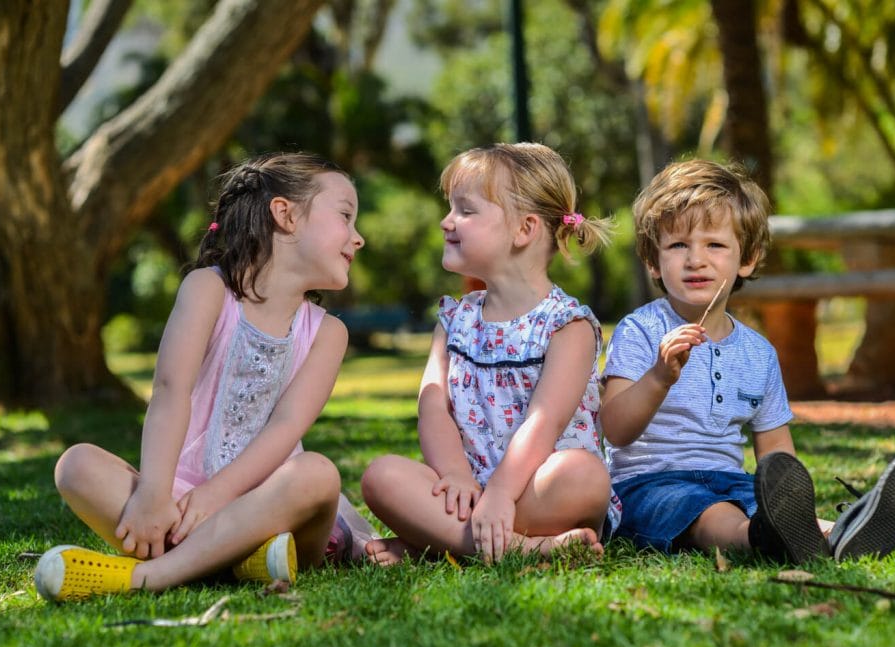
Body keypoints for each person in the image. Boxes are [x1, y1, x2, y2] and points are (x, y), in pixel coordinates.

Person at [35, 152, 375, 602]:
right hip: (182, 499)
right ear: (285, 214)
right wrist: (154, 494)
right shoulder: (207, 289)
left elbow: (286, 428)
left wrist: (217, 496)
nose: (358, 237)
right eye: (345, 216)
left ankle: (150, 576)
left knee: (317, 474)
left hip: (273, 503)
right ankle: (241, 562)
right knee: (76, 466)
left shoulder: (327, 334)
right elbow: (170, 391)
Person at [599, 159, 895, 563]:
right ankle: (761, 539)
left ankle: (838, 533)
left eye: (714, 245)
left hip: (729, 480)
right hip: (649, 486)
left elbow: (776, 449)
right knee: (710, 514)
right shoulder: (640, 330)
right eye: (678, 246)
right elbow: (614, 429)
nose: (695, 259)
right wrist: (659, 377)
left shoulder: (757, 352)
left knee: (757, 500)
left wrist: (790, 497)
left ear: (747, 258)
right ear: (653, 261)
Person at [360, 142, 619, 565]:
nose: (446, 221)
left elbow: (544, 421)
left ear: (524, 230)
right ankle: (522, 548)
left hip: (539, 490)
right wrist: (456, 474)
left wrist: (500, 492)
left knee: (585, 475)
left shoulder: (567, 326)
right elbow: (433, 406)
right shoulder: (455, 319)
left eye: (465, 210)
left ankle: (438, 543)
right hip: (466, 491)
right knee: (381, 476)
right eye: (451, 208)